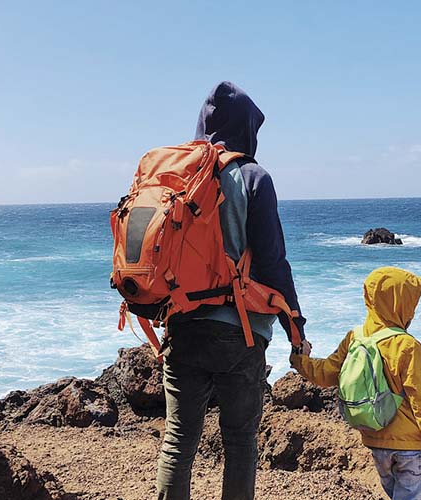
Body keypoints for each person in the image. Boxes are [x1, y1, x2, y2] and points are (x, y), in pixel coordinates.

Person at [156, 81, 306, 500]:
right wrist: (296, 325)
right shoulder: (254, 177)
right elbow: (274, 262)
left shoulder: (177, 177)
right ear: (247, 128)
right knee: (239, 442)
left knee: (178, 441)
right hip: (241, 334)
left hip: (182, 326)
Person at [290, 267, 421, 500]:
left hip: (375, 442)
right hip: (410, 447)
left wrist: (299, 359)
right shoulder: (407, 346)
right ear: (401, 303)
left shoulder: (356, 337)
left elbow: (325, 374)